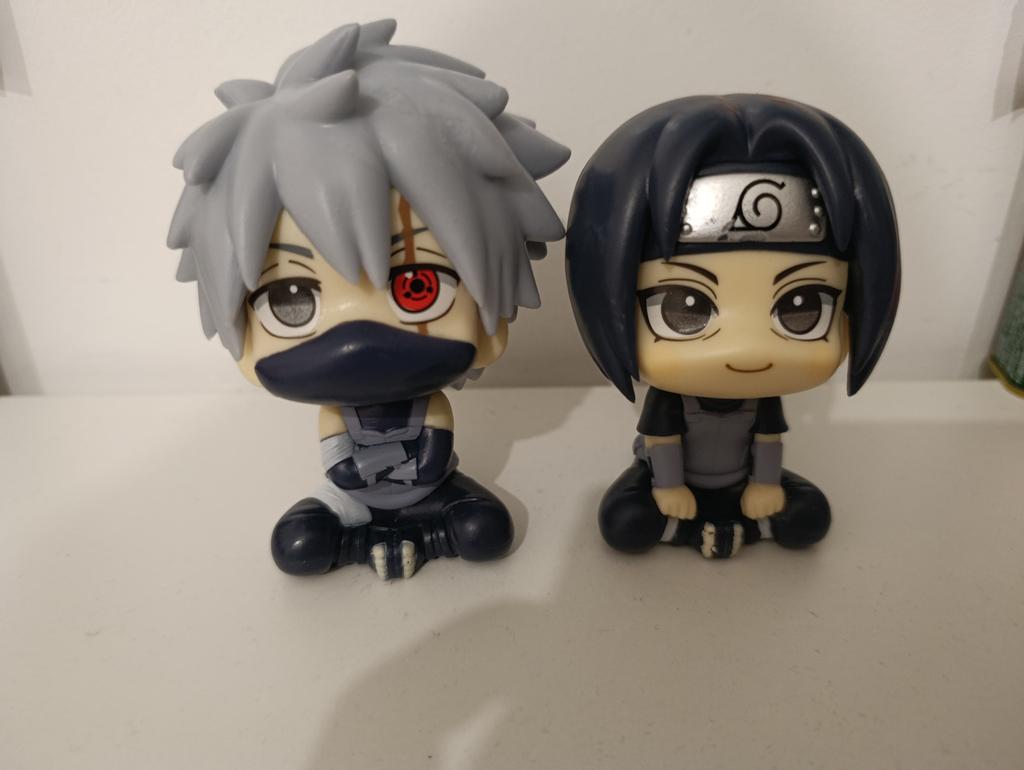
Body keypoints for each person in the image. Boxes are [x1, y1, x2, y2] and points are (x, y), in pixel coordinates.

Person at [168, 20, 569, 579]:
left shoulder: (427, 405)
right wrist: (368, 472)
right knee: (297, 544)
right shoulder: (337, 413)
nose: (355, 337)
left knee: (484, 530)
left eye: (417, 286)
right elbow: (340, 464)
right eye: (290, 298)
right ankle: (367, 539)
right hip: (350, 500)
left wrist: (405, 467)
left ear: (491, 320)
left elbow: (433, 452)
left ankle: (394, 538)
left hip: (429, 491)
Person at [565, 95, 900, 559]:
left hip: (741, 478)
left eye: (802, 306)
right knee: (625, 522)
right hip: (673, 479)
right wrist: (668, 487)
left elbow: (768, 443)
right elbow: (662, 443)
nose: (747, 348)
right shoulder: (671, 399)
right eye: (685, 308)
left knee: (809, 517)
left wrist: (765, 485)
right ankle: (711, 528)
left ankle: (711, 527)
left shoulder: (762, 397)